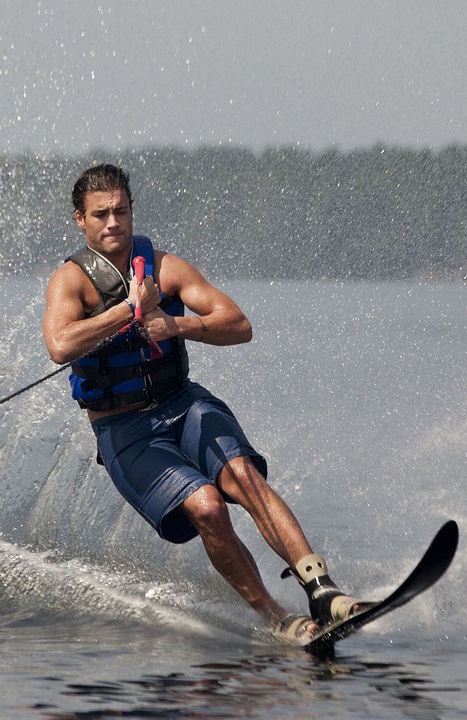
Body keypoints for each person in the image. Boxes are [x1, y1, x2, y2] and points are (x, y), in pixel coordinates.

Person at [42, 163, 370, 643]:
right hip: (125, 430)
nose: (113, 222)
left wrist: (176, 325)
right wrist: (127, 311)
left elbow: (238, 324)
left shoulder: (166, 268)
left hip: (183, 404)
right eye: (100, 214)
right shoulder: (70, 282)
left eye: (121, 211)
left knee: (242, 476)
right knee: (209, 509)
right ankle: (277, 618)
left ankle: (322, 590)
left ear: (132, 212)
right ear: (80, 220)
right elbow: (60, 345)